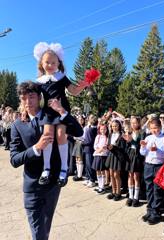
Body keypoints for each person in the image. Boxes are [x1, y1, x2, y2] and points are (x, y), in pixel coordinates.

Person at [10, 81, 83, 240]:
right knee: (39, 233)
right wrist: (36, 148)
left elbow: (79, 131)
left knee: (46, 226)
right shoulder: (17, 125)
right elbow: (14, 159)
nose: (28, 102)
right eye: (24, 98)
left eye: (31, 97)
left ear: (39, 97)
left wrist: (62, 110)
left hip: (53, 186)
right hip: (32, 187)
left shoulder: (52, 116)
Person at [33, 42, 96, 186]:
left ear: (58, 63)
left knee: (61, 136)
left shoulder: (62, 77)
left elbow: (73, 90)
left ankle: (64, 168)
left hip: (61, 110)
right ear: (42, 64)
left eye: (53, 62)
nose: (50, 64)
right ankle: (46, 168)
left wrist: (83, 85)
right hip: (48, 112)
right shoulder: (38, 81)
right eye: (47, 62)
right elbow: (35, 98)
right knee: (48, 136)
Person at [140, 118, 164, 225]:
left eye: (155, 128)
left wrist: (158, 150)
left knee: (157, 190)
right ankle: (149, 210)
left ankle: (156, 213)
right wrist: (143, 146)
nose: (153, 130)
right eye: (151, 128)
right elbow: (143, 153)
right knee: (149, 189)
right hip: (148, 165)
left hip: (158, 166)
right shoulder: (148, 138)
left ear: (160, 127)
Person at [125, 116, 145, 207]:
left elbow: (141, 145)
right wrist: (127, 142)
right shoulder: (129, 132)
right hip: (130, 155)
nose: (133, 124)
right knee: (130, 176)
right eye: (132, 123)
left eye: (135, 123)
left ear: (139, 123)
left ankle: (136, 198)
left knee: (136, 176)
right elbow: (127, 146)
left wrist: (131, 141)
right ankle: (131, 196)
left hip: (137, 156)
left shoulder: (142, 133)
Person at [105, 119, 127, 201]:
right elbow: (109, 144)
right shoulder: (110, 134)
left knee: (116, 175)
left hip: (118, 156)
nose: (114, 127)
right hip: (111, 155)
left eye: (116, 126)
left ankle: (118, 192)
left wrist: (114, 147)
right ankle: (113, 191)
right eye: (113, 126)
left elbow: (123, 148)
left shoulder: (122, 135)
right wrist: (108, 147)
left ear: (119, 126)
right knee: (111, 174)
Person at [92, 124, 109, 194]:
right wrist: (98, 150)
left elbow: (106, 147)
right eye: (101, 129)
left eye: (104, 129)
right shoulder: (98, 136)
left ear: (106, 130)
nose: (103, 130)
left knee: (102, 171)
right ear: (99, 130)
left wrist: (102, 150)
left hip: (103, 156)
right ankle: (99, 186)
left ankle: (102, 187)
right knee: (97, 170)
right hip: (97, 155)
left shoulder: (107, 137)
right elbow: (95, 145)